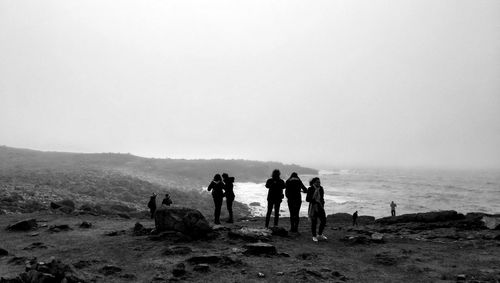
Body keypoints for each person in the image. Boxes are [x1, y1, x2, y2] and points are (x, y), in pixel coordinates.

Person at [306, 177, 327, 242]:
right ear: (313, 182)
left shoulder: (321, 188)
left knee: (323, 220)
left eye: (319, 182)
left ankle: (320, 234)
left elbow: (322, 197)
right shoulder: (310, 189)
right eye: (317, 182)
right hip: (313, 207)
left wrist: (322, 203)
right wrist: (315, 201)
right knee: (314, 222)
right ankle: (314, 236)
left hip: (320, 206)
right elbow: (307, 199)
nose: (319, 183)